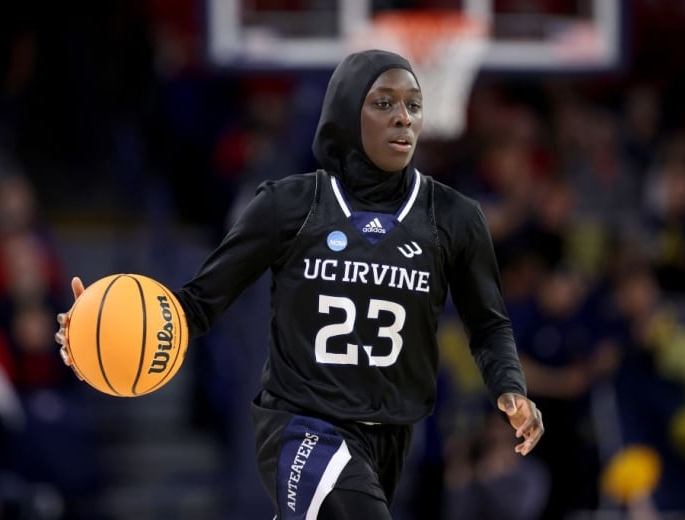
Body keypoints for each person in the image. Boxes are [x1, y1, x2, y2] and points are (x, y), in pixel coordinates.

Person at [55, 49, 544, 519]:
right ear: (347, 113)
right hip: (303, 426)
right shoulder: (289, 204)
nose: (403, 117)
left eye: (413, 105)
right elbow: (198, 305)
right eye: (384, 103)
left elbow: (489, 324)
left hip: (392, 436)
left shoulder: (455, 217)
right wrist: (105, 327)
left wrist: (511, 387)